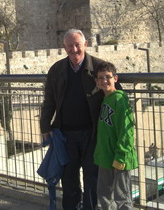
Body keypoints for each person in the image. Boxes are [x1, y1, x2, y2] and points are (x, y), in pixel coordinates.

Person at [40, 29, 106, 210]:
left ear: (85, 44)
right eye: (70, 46)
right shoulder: (57, 70)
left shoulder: (100, 68)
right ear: (64, 47)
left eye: (78, 45)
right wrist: (45, 126)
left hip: (92, 135)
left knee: (92, 180)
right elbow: (49, 100)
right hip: (65, 135)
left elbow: (114, 95)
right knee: (69, 180)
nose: (74, 49)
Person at [93, 61, 138, 210]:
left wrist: (121, 156)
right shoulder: (105, 100)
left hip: (120, 157)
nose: (104, 81)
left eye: (108, 77)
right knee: (104, 196)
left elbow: (126, 131)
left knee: (122, 199)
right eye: (100, 78)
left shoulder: (119, 99)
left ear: (115, 78)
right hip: (106, 156)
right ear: (96, 82)